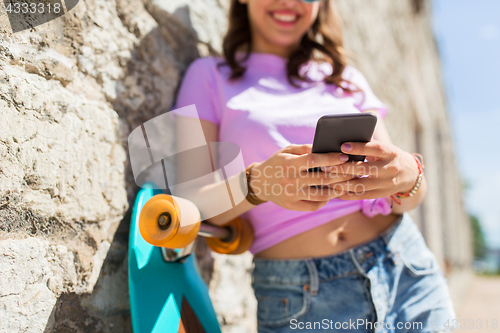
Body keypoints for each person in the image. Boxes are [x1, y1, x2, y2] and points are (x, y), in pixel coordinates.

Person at [171, 0, 456, 332]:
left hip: (405, 268)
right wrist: (257, 184)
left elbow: (403, 198)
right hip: (302, 296)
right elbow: (189, 202)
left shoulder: (346, 77)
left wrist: (410, 175)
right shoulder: (207, 76)